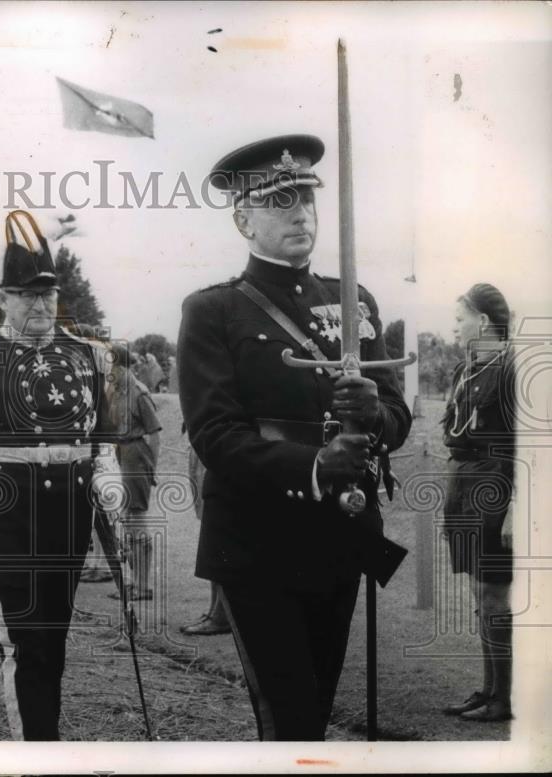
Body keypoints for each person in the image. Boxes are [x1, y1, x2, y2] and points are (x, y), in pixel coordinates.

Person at [178, 135, 412, 741]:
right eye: (280, 200)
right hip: (258, 543)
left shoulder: (353, 299)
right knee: (290, 721)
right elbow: (214, 435)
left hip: (339, 533)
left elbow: (397, 417)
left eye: (307, 198)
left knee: (319, 704)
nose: (300, 213)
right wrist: (314, 463)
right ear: (243, 218)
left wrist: (375, 413)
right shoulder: (215, 311)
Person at [0, 211, 116, 741]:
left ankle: (43, 732)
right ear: (4, 299)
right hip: (5, 510)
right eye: (26, 295)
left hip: (71, 509)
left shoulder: (86, 355)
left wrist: (107, 474)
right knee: (23, 637)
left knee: (53, 633)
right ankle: (38, 744)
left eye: (48, 295)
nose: (40, 305)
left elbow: (101, 434)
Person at [441, 283, 516, 723]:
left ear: (483, 322)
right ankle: (488, 690)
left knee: (494, 595)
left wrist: (518, 510)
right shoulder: (464, 370)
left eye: (460, 318)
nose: (455, 327)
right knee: (478, 589)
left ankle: (503, 698)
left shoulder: (512, 369)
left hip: (497, 484)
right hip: (464, 480)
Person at [104, 342, 162, 602]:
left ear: (121, 365)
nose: (109, 372)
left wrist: (151, 467)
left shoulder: (138, 393)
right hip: (121, 455)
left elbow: (154, 433)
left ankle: (144, 585)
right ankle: (135, 583)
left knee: (137, 521)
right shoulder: (115, 391)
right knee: (126, 522)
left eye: (111, 366)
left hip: (136, 456)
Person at [179, 439, 231, 636]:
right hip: (203, 449)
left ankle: (221, 614)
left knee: (219, 536)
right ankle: (215, 610)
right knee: (211, 532)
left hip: (218, 452)